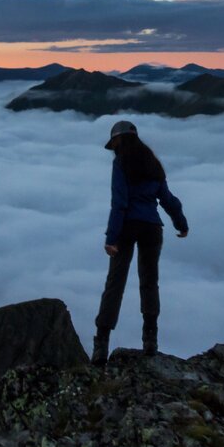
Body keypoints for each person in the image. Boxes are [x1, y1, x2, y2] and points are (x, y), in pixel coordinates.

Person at [92, 119, 188, 366]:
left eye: (114, 142)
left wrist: (111, 238)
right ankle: (150, 340)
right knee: (149, 282)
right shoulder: (152, 164)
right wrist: (181, 223)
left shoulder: (120, 163)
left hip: (126, 228)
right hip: (152, 228)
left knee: (115, 283)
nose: (113, 147)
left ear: (119, 140)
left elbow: (120, 202)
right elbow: (167, 199)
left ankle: (101, 345)